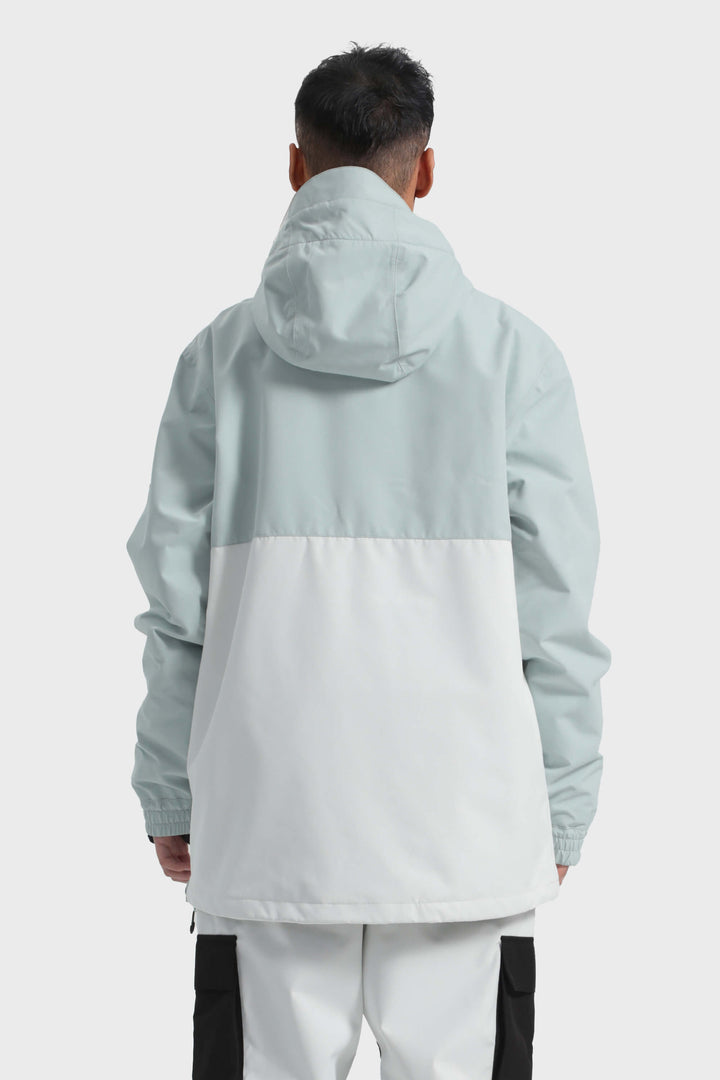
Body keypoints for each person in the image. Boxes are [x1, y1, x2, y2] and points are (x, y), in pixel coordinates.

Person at [126, 41, 611, 1080]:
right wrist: (563, 804)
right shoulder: (514, 356)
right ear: (424, 170)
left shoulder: (219, 360)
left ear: (294, 166)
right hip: (466, 838)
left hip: (267, 829)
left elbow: (175, 607)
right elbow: (558, 611)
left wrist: (171, 792)